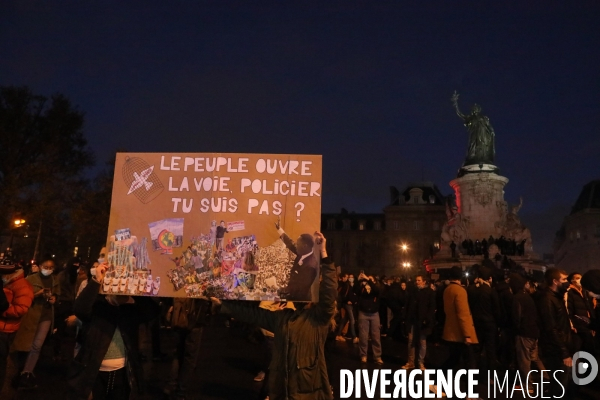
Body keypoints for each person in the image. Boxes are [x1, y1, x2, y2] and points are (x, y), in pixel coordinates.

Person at [213, 231, 336, 400]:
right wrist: (223, 305)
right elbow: (254, 315)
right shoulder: (283, 318)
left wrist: (324, 254)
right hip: (283, 392)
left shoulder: (317, 320)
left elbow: (329, 293)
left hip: (309, 393)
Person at [66, 262, 159, 399]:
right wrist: (97, 280)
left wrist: (136, 291)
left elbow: (153, 311)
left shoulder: (130, 311)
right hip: (94, 373)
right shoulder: (98, 306)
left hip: (122, 373)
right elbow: (80, 308)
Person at [12, 256, 60, 388]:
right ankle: (18, 370)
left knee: (37, 345)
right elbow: (22, 297)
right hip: (31, 316)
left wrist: (54, 299)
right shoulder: (30, 279)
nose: (48, 270)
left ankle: (27, 371)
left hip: (46, 316)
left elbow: (57, 294)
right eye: (46, 267)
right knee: (24, 343)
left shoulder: (55, 280)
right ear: (40, 267)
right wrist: (37, 294)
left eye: (51, 268)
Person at [536, 268, 576, 397]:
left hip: (562, 347)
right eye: (563, 279)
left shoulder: (556, 297)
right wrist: (564, 353)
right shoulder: (547, 299)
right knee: (560, 386)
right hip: (556, 351)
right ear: (555, 281)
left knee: (566, 383)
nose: (567, 282)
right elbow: (551, 328)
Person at [164, 296, 214, 400]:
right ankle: (181, 392)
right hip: (195, 316)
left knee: (178, 352)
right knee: (190, 357)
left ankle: (171, 385)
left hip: (179, 314)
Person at [441, 266, 478, 397]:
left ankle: (439, 384)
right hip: (461, 333)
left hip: (450, 331)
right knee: (470, 364)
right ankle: (471, 393)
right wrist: (467, 334)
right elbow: (463, 314)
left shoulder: (447, 290)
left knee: (453, 360)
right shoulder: (460, 291)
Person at [0, 254, 34, 390]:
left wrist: (3, 310)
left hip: (5, 330)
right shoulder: (7, 283)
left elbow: (20, 309)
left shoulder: (22, 286)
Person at [510, 273, 546, 393]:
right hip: (534, 332)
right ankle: (548, 378)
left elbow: (517, 317)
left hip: (524, 333)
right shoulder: (528, 296)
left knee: (524, 360)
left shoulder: (517, 298)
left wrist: (517, 329)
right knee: (534, 358)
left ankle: (528, 385)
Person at [467, 266, 501, 375]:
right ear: (489, 278)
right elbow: (497, 309)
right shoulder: (491, 291)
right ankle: (491, 376)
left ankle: (473, 374)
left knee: (476, 350)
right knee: (490, 351)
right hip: (490, 324)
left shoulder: (471, 290)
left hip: (476, 323)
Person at [275, 222, 318, 301]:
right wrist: (279, 230)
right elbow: (291, 244)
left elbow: (300, 288)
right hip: (292, 296)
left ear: (305, 246)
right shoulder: (303, 252)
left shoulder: (310, 266)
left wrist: (282, 290)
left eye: (298, 244)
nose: (296, 246)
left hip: (300, 301)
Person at [402, 275, 436, 370]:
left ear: (424, 281)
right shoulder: (413, 292)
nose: (417, 282)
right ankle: (411, 362)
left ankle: (420, 362)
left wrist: (428, 318)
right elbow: (408, 304)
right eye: (416, 280)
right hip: (413, 320)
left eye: (419, 280)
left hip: (423, 321)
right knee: (411, 341)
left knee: (422, 342)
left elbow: (431, 306)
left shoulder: (429, 292)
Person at [355, 272, 383, 364]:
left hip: (374, 313)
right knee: (363, 336)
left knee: (376, 336)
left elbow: (377, 290)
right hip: (363, 313)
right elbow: (355, 290)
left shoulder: (376, 289)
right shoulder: (362, 289)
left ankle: (377, 356)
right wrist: (358, 280)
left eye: (370, 280)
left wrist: (368, 280)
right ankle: (363, 355)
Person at [566, 272, 597, 356]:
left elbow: (590, 307)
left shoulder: (585, 291)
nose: (579, 280)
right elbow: (569, 310)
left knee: (591, 348)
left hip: (589, 324)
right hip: (579, 325)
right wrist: (572, 325)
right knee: (581, 349)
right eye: (577, 278)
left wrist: (593, 323)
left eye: (580, 277)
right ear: (572, 280)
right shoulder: (570, 292)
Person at [335, 274, 358, 343]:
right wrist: (347, 301)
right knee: (352, 320)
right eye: (348, 277)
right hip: (347, 305)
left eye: (351, 277)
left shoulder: (349, 285)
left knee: (345, 319)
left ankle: (338, 335)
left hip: (349, 304)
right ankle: (354, 337)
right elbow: (344, 295)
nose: (349, 278)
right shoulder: (346, 285)